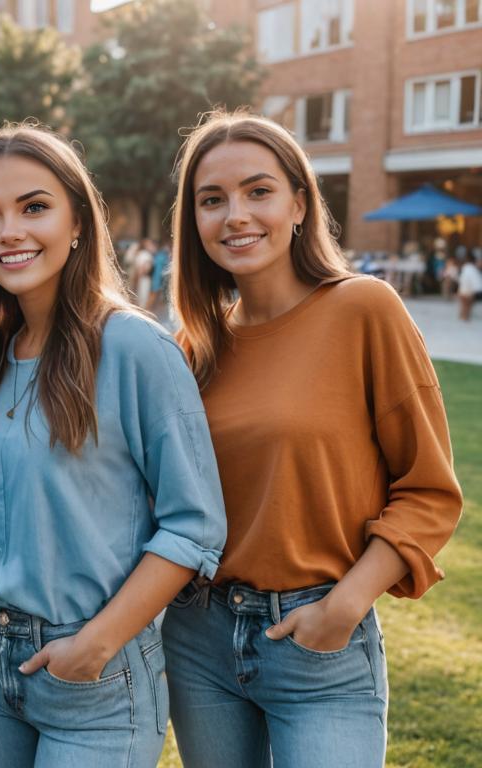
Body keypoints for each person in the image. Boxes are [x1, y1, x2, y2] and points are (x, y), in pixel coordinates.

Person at [165, 111, 462, 767]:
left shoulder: (364, 309)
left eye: (258, 191)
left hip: (321, 632)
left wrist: (345, 605)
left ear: (299, 203)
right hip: (199, 637)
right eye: (212, 200)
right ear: (194, 222)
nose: (235, 215)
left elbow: (429, 491)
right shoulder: (194, 348)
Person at [0, 124, 227, 768]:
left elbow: (194, 525)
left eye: (33, 207)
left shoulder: (134, 348)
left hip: (94, 671)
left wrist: (96, 643)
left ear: (76, 223)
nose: (9, 231)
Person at [457, 252, 482, 321]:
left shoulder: (466, 267)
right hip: (468, 291)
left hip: (463, 289)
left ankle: (463, 318)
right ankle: (465, 318)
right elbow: (476, 282)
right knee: (467, 306)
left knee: (464, 306)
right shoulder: (471, 269)